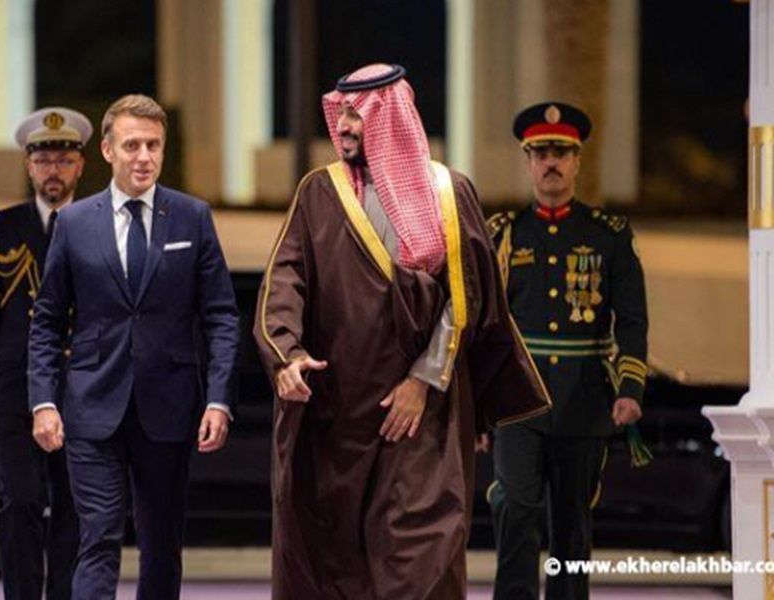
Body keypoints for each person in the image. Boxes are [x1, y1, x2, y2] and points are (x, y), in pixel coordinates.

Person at [254, 63, 551, 600]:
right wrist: (287, 355)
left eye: (356, 116)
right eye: (341, 114)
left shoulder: (449, 192)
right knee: (336, 561)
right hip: (338, 415)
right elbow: (285, 281)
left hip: (421, 420)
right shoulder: (319, 192)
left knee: (421, 555)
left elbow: (469, 298)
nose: (343, 127)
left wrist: (423, 380)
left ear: (389, 118)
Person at [27, 94, 239, 600]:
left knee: (161, 543)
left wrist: (218, 399)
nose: (144, 157)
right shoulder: (75, 223)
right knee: (97, 538)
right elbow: (48, 321)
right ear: (107, 150)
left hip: (169, 406)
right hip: (91, 406)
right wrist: (43, 402)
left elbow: (222, 316)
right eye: (132, 145)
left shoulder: (192, 217)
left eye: (153, 146)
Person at [487, 101, 648, 600]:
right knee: (515, 509)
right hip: (518, 401)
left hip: (584, 400)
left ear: (577, 161)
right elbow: (487, 326)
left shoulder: (609, 236)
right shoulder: (505, 235)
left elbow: (632, 320)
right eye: (540, 154)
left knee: (571, 529)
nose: (550, 163)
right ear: (528, 162)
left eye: (560, 153)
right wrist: (478, 408)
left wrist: (630, 388)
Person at [0, 106, 90, 600]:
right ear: (29, 166)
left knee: (75, 506)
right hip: (15, 387)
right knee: (19, 500)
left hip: (80, 384)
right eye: (43, 161)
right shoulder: (3, 227)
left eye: (63, 160)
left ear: (80, 166)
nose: (53, 170)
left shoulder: (99, 221)